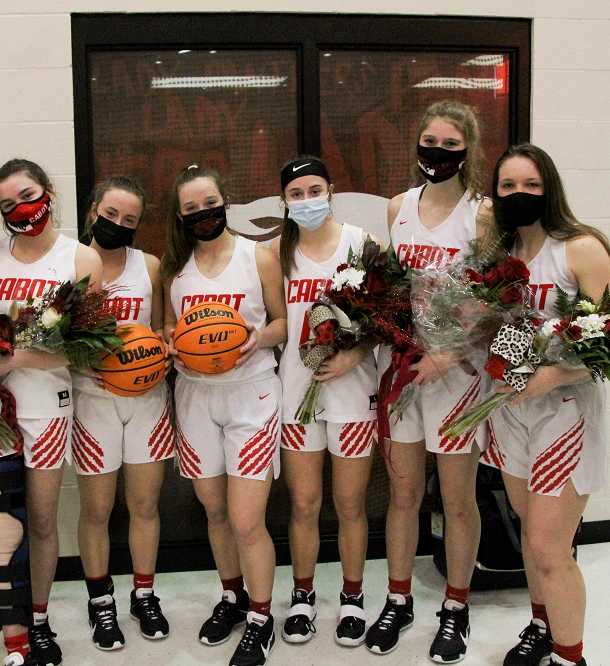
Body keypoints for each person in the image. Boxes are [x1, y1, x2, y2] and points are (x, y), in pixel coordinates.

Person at [481, 144, 610, 666]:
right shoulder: (501, 258)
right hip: (512, 411)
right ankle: (542, 627)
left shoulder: (579, 248)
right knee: (527, 532)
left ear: (550, 190)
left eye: (531, 186)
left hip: (565, 409)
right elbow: (506, 331)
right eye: (508, 186)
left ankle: (570, 656)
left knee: (547, 547)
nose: (519, 195)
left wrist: (548, 377)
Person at [367, 100, 490, 663]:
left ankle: (456, 607)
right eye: (428, 143)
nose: (436, 154)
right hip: (402, 370)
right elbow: (392, 285)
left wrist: (449, 352)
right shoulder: (397, 206)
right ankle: (397, 599)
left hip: (456, 374)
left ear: (468, 152)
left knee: (458, 499)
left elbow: (496, 300)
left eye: (449, 146)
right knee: (403, 494)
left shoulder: (482, 214)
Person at [0, 158, 103, 666]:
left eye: (27, 195)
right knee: (0, 523)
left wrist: (18, 358)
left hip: (48, 406)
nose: (21, 209)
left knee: (44, 521)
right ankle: (13, 630)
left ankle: (40, 619)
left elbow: (89, 347)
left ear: (48, 191)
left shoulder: (80, 258)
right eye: (7, 205)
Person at [163, 164, 287, 666]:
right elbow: (170, 327)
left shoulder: (257, 254)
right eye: (191, 208)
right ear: (180, 216)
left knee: (245, 519)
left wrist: (258, 338)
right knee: (214, 510)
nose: (202, 213)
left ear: (225, 201)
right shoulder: (175, 269)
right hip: (194, 396)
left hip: (251, 394)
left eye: (209, 203)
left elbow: (281, 322)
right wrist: (172, 342)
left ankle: (262, 616)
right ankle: (233, 597)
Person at [270, 156, 381, 648]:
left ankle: (353, 597)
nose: (307, 200)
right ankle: (302, 596)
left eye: (315, 190)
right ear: (284, 202)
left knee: (350, 502)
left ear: (331, 190)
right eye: (296, 194)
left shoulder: (363, 244)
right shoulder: (276, 251)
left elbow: (388, 318)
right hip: (298, 395)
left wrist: (354, 356)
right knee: (304, 503)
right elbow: (274, 320)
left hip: (354, 393)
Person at [69, 176, 175, 651]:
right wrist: (79, 358)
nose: (117, 225)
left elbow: (161, 328)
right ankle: (100, 601)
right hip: (92, 403)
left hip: (148, 402)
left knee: (145, 506)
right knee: (96, 509)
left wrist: (166, 349)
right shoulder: (69, 263)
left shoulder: (148, 265)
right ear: (92, 210)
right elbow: (53, 335)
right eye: (110, 214)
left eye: (129, 220)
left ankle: (144, 593)